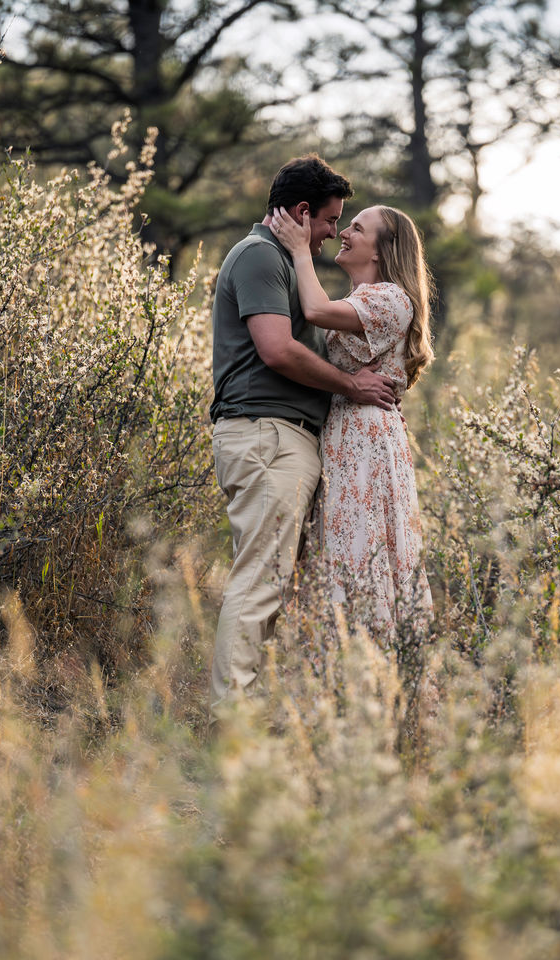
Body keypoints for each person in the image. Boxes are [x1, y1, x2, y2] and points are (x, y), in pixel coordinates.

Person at [209, 155, 398, 707]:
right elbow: (276, 349)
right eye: (329, 222)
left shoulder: (283, 261)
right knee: (261, 580)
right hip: (267, 434)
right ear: (300, 212)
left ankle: (248, 707)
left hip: (284, 437)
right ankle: (233, 718)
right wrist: (350, 384)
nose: (332, 234)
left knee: (270, 580)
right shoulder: (260, 256)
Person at [267, 202, 436, 647]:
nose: (345, 233)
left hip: (366, 440)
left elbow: (317, 311)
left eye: (357, 229)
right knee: (339, 547)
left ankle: (366, 663)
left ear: (382, 250)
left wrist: (301, 251)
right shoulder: (362, 297)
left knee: (359, 548)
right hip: (344, 433)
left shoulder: (391, 299)